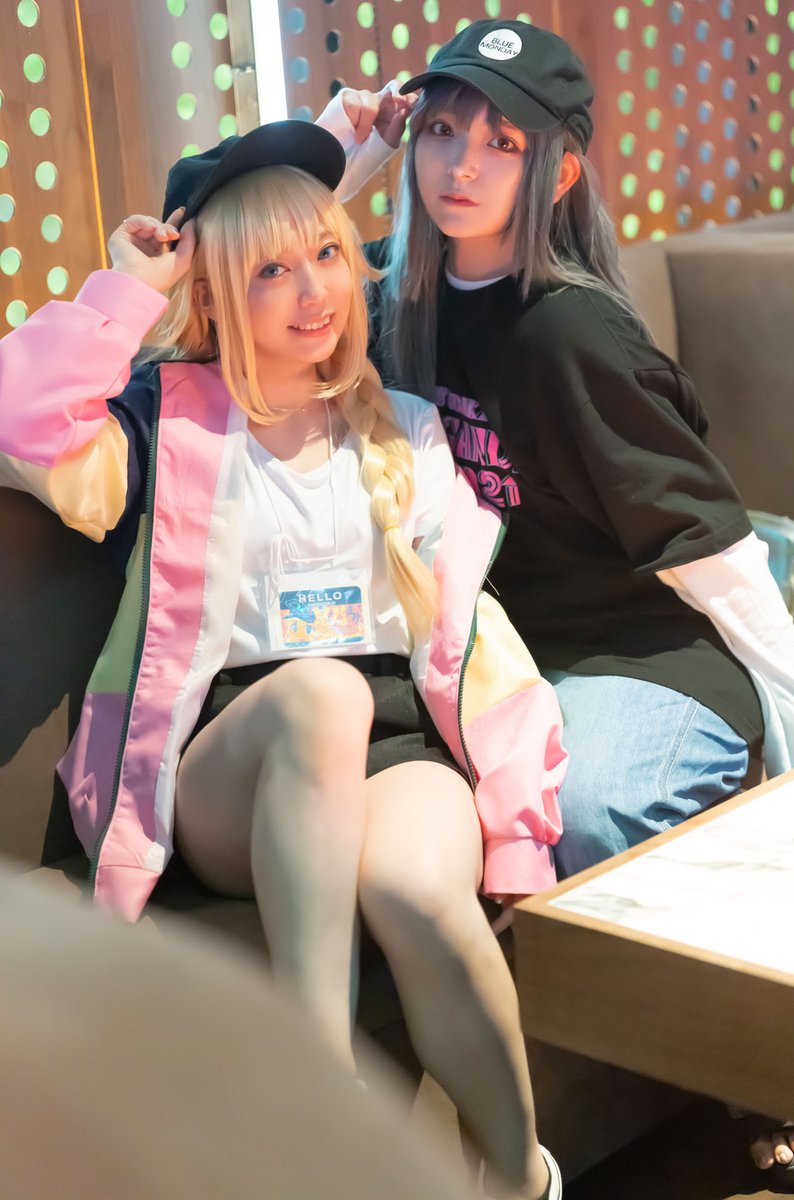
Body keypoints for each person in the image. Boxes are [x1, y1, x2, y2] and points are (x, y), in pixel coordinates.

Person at [0, 119, 567, 1200]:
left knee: (417, 890)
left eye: (327, 253)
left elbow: (464, 631)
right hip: (236, 754)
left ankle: (519, 1178)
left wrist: (513, 802)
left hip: (397, 738)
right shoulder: (160, 426)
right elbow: (21, 420)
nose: (315, 291)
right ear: (213, 296)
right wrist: (127, 290)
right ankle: (317, 1107)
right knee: (318, 698)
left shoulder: (405, 426)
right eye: (270, 269)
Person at [320, 19, 794, 1187]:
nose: (460, 164)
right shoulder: (394, 303)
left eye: (502, 142)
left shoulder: (567, 331)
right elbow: (246, 254)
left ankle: (742, 1071)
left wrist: (791, 719)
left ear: (558, 170)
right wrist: (344, 153)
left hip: (647, 655)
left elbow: (707, 547)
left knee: (571, 814)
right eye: (441, 131)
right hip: (506, 665)